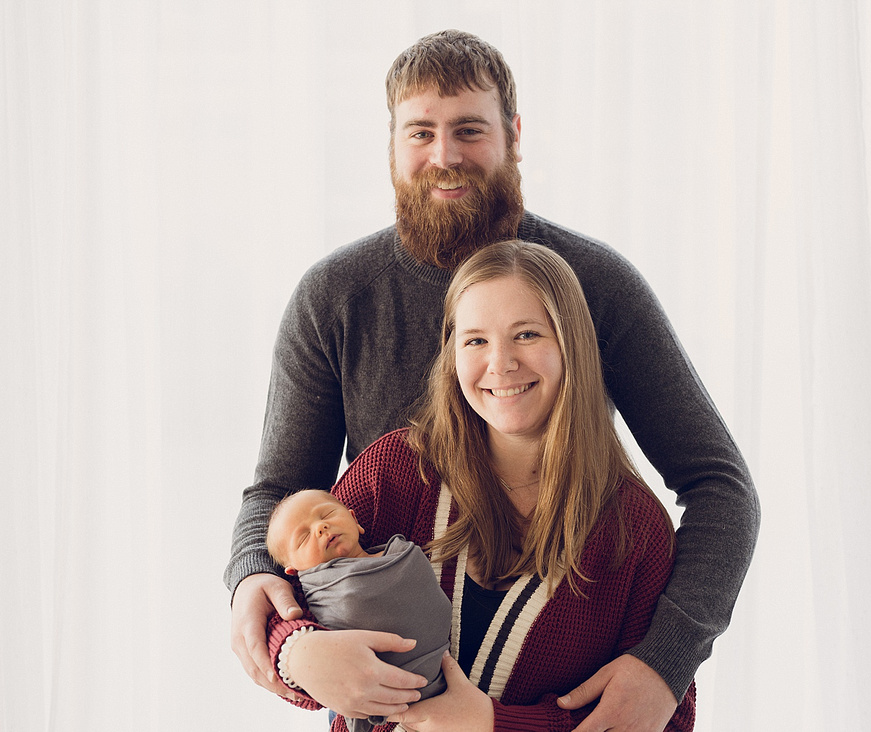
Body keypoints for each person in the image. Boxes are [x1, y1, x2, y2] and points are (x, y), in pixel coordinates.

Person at [227, 29, 760, 730]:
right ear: (392, 145)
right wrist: (286, 641)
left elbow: (719, 484)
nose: (444, 155)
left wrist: (664, 663)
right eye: (421, 132)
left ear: (513, 134)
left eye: (469, 130)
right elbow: (283, 501)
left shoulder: (598, 287)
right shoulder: (337, 308)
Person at [270, 240, 695, 730]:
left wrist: (494, 724)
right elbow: (288, 585)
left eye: (527, 334)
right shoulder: (396, 470)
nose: (501, 363)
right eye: (475, 340)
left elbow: (662, 718)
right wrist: (296, 652)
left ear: (572, 343)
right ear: (452, 354)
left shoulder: (634, 529)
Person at [265, 489, 452, 729]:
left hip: (446, 684)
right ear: (294, 571)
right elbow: (279, 640)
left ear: (354, 520)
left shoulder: (402, 552)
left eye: (327, 514)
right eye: (303, 537)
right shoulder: (307, 598)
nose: (321, 527)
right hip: (378, 706)